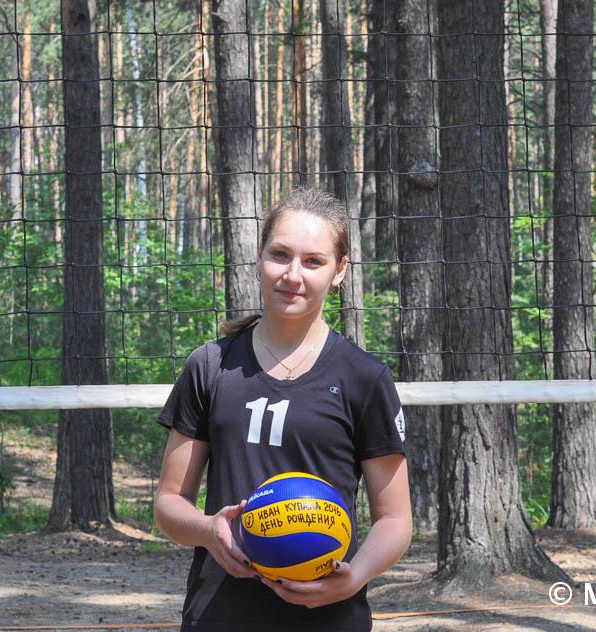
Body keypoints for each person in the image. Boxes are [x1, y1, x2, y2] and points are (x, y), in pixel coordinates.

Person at [154, 187, 412, 631]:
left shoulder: (364, 379)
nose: (293, 275)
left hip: (328, 618)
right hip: (220, 616)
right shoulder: (211, 366)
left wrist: (354, 578)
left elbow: (395, 519)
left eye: (313, 261)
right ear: (259, 256)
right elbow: (169, 503)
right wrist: (208, 530)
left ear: (339, 271)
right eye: (280, 255)